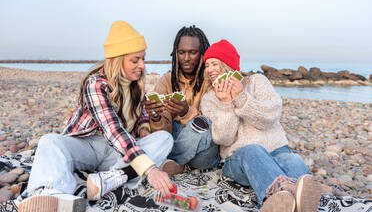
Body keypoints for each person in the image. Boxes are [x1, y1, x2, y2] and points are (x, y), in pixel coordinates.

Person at [18, 21, 174, 212]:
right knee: (49, 141)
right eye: (135, 60)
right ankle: (49, 193)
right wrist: (150, 169)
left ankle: (109, 179)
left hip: (116, 155)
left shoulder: (136, 85)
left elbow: (141, 117)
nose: (142, 65)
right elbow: (113, 130)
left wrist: (143, 129)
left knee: (164, 139)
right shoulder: (95, 84)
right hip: (89, 145)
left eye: (143, 59)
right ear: (117, 60)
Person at [200, 39, 322, 212]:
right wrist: (227, 104)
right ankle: (275, 198)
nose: (210, 69)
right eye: (207, 65)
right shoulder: (209, 99)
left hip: (277, 150)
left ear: (228, 64)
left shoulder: (257, 81)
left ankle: (298, 201)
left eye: (214, 64)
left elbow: (269, 118)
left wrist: (241, 98)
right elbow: (223, 139)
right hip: (239, 160)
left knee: (292, 159)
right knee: (253, 150)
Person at [145, 26, 220, 175]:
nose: (186, 58)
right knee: (166, 130)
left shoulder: (211, 79)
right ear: (175, 53)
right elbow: (164, 134)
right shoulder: (167, 80)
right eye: (181, 52)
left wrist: (186, 112)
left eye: (192, 52)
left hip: (205, 153)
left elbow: (216, 127)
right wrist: (156, 117)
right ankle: (178, 165)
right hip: (178, 140)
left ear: (202, 53)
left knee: (201, 123)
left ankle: (159, 160)